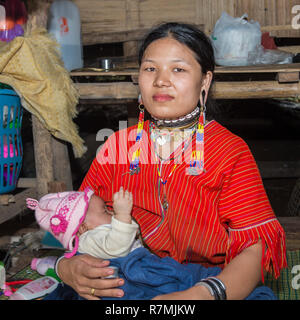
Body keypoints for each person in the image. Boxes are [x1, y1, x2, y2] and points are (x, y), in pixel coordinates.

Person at [55, 22, 287, 300]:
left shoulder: (229, 151)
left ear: (205, 81)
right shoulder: (117, 147)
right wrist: (65, 266)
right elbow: (71, 222)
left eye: (178, 69)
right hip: (129, 276)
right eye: (150, 68)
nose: (161, 80)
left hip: (207, 282)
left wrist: (199, 296)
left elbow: (254, 249)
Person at [26, 187, 141, 259]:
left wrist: (127, 224)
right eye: (105, 211)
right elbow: (117, 246)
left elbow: (127, 236)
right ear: (83, 228)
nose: (112, 212)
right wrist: (122, 214)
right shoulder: (89, 240)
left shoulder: (100, 232)